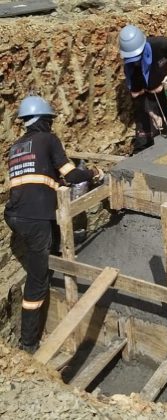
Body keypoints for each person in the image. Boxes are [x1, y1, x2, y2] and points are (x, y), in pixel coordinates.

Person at [4, 95, 104, 354]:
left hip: (15, 215)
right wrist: (94, 174)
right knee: (37, 281)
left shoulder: (15, 147)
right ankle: (28, 344)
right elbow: (71, 174)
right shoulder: (49, 139)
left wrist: (57, 186)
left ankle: (60, 245)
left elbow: (36, 180)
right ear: (46, 121)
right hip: (34, 217)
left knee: (49, 239)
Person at [119, 24, 167, 151]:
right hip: (149, 99)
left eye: (138, 57)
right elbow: (137, 96)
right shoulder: (130, 67)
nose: (136, 62)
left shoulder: (161, 45)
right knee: (144, 141)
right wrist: (152, 114)